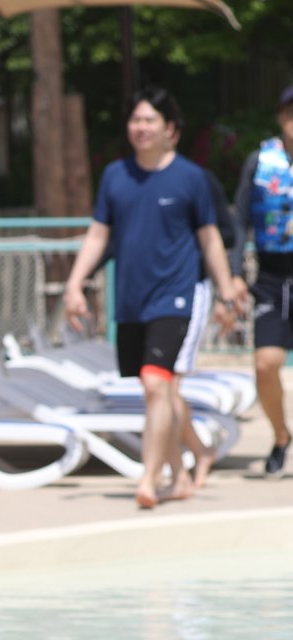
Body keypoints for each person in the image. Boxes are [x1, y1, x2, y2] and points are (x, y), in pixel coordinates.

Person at [63, 87, 243, 509]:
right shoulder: (115, 176)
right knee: (157, 389)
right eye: (135, 120)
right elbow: (98, 234)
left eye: (150, 120)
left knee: (156, 383)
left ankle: (148, 478)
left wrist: (226, 288)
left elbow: (210, 238)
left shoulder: (191, 179)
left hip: (177, 296)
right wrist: (75, 284)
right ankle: (181, 473)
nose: (140, 127)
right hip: (132, 300)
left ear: (172, 130)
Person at [231, 83, 293, 477]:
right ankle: (281, 435)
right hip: (272, 274)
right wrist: (235, 273)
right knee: (265, 364)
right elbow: (239, 219)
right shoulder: (260, 160)